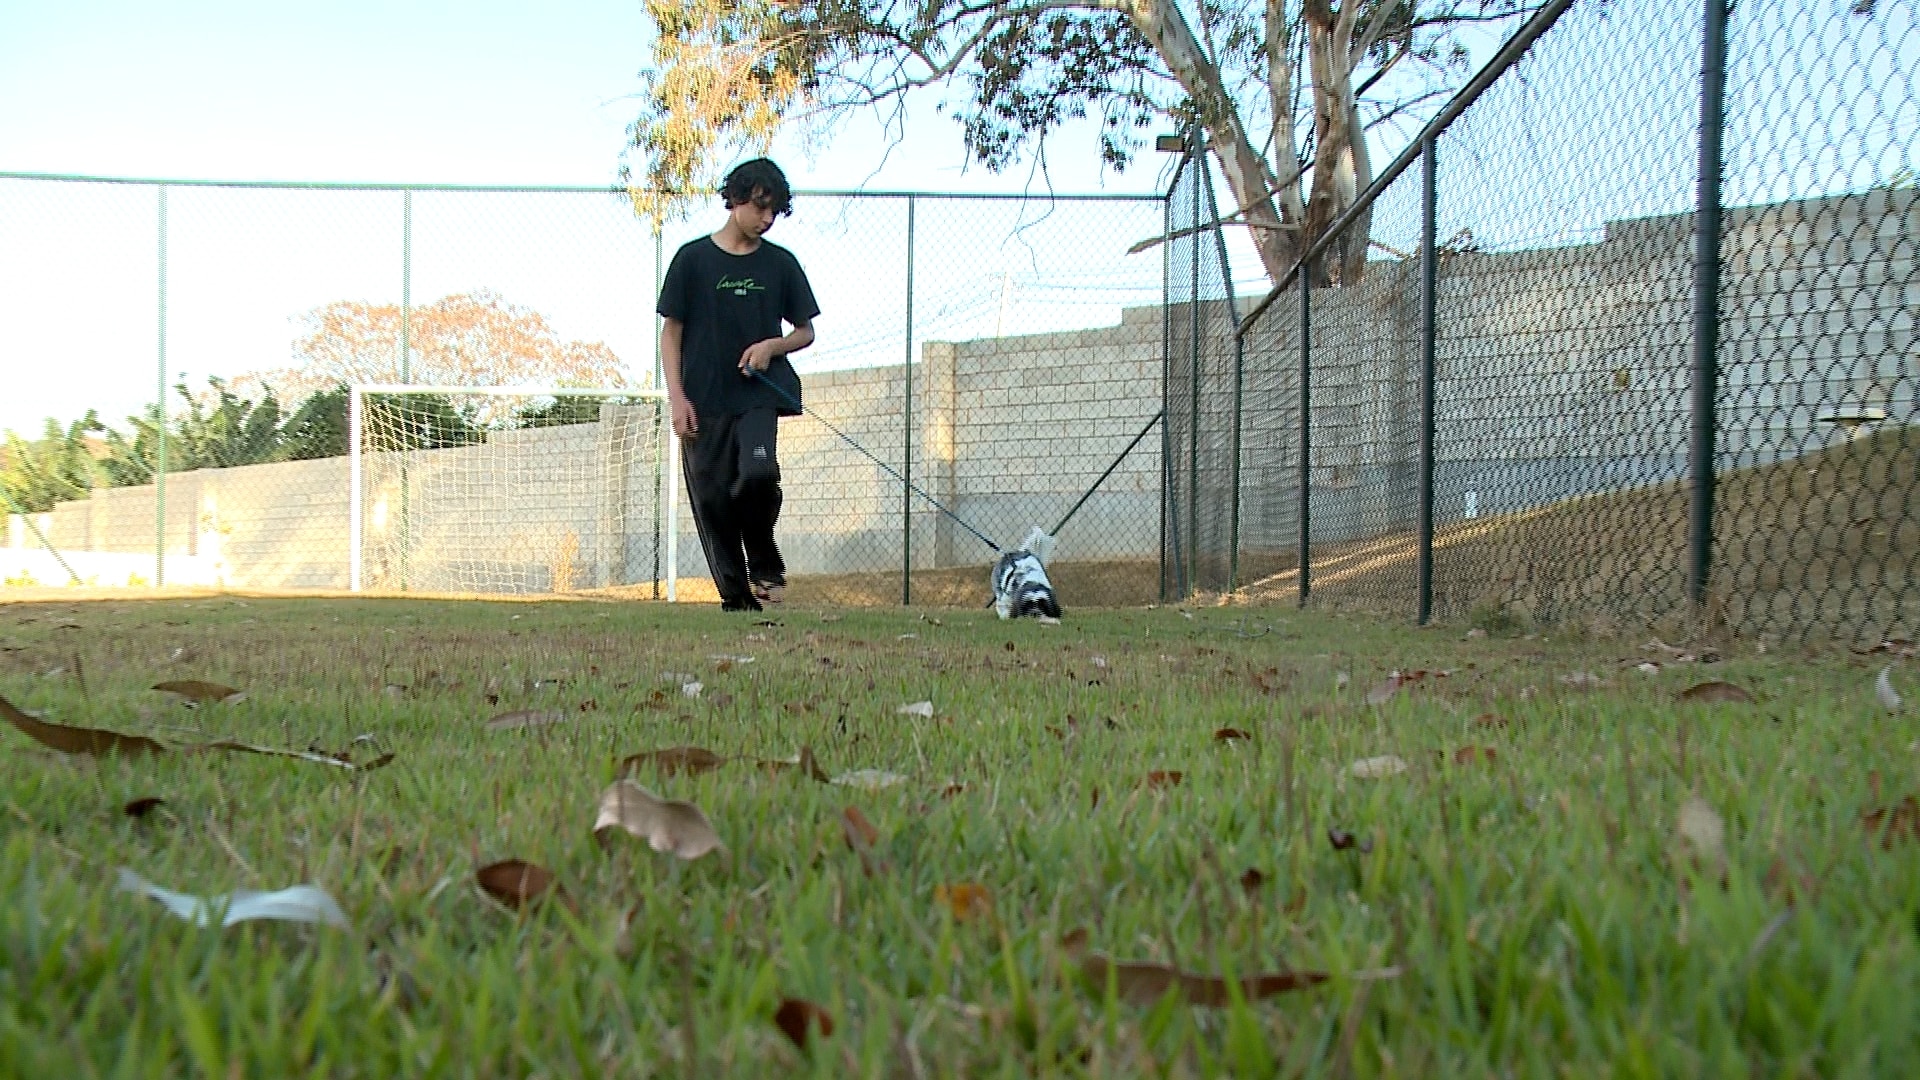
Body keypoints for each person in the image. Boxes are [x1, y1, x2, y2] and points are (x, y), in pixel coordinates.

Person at [657, 158, 820, 611]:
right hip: (703, 399)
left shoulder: (781, 264)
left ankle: (764, 559)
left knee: (759, 473)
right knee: (712, 501)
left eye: (775, 212)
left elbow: (805, 331)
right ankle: (738, 601)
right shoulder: (692, 259)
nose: (767, 220)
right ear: (735, 200)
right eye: (760, 208)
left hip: (757, 395)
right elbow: (671, 332)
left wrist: (773, 346)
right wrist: (677, 397)